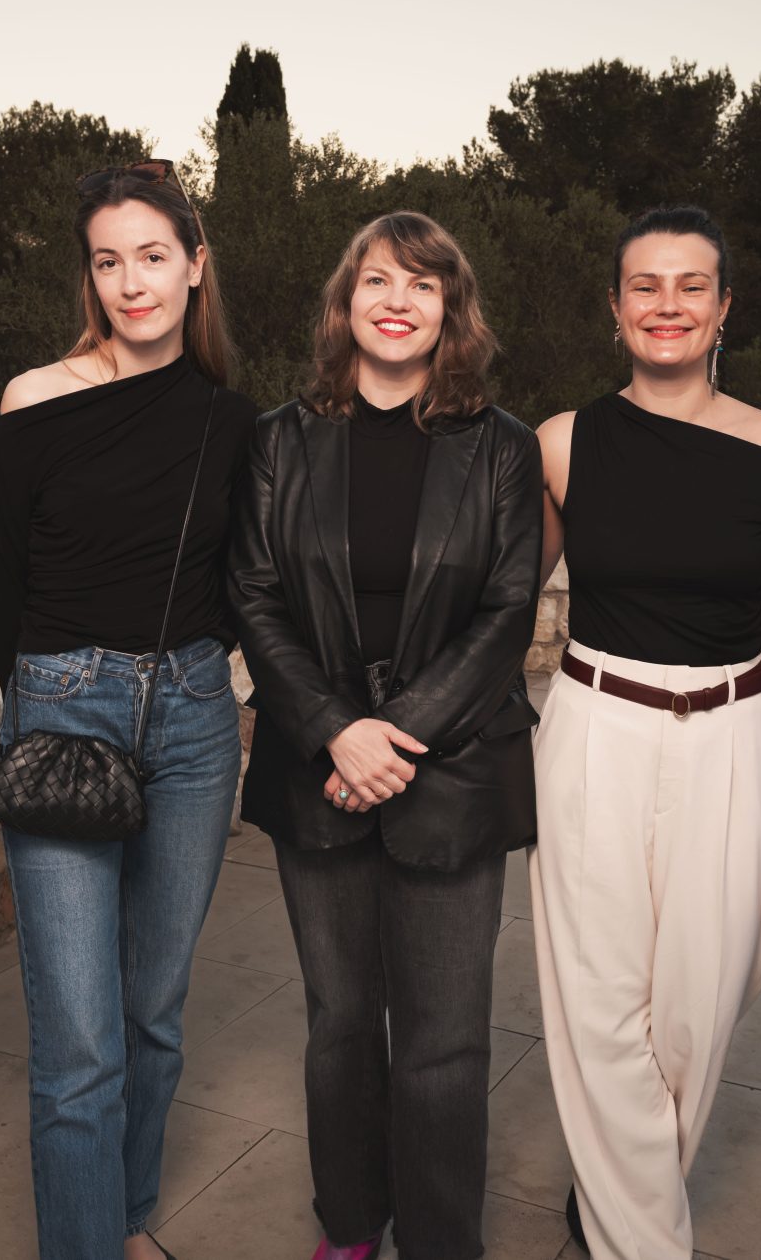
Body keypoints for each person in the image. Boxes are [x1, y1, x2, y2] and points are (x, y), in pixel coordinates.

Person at [230, 212, 543, 1260]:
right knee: (337, 1024)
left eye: (421, 283)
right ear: (344, 302)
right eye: (376, 280)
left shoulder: (499, 447)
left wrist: (390, 736)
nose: (397, 300)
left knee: (445, 1044)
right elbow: (254, 595)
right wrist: (332, 731)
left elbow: (507, 613)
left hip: (449, 771)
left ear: (450, 307)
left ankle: (442, 1242)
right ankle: (351, 1226)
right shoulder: (279, 439)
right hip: (313, 769)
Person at [532, 205, 761, 1260]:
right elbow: (493, 599)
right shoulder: (562, 443)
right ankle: (639, 1242)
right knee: (599, 1006)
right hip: (594, 730)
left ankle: (612, 1205)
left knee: (701, 1010)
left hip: (733, 740)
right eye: (643, 286)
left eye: (689, 285)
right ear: (614, 309)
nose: (666, 305)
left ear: (722, 308)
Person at [0, 160, 257, 1260]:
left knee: (151, 1009)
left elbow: (245, 582)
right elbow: (5, 584)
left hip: (193, 717)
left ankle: (126, 1216)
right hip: (61, 709)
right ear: (88, 278)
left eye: (153, 256)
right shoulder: (34, 398)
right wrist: (43, 704)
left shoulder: (231, 421)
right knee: (80, 1037)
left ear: (194, 266)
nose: (131, 282)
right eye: (108, 262)